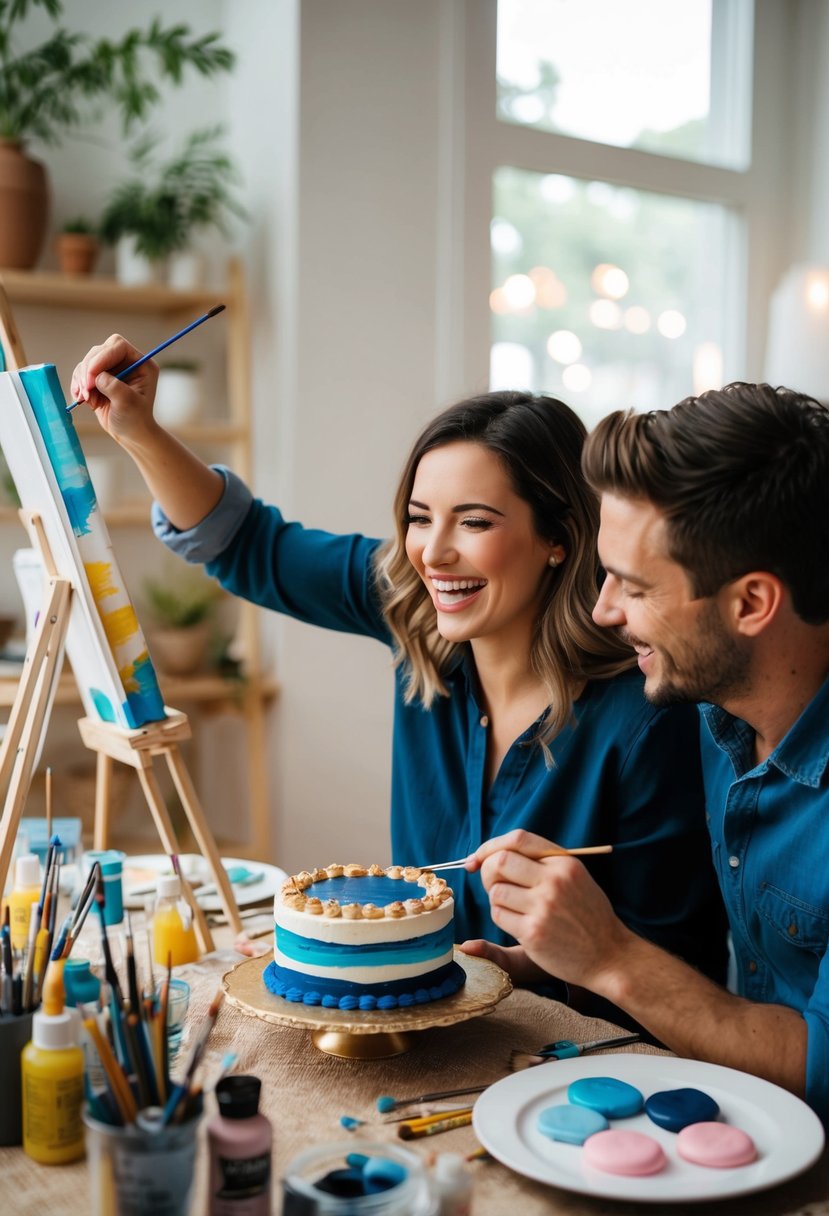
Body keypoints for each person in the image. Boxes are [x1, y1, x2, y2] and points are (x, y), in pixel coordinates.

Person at [70, 334, 726, 996]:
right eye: (418, 519)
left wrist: (520, 969)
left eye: (473, 523)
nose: (432, 554)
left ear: (556, 538)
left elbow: (670, 974)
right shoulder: (411, 606)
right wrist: (139, 430)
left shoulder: (647, 717)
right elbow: (245, 545)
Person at [465, 380, 829, 1120]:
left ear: (750, 604)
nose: (602, 610)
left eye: (631, 586)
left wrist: (610, 957)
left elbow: (820, 1065)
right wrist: (547, 958)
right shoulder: (711, 708)